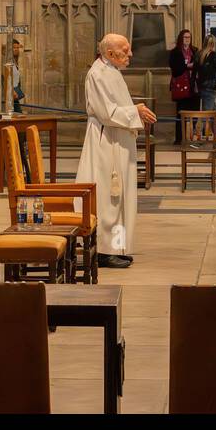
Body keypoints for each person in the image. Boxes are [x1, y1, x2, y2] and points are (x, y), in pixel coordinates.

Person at [77, 34, 157, 268]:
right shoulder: (98, 74)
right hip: (106, 142)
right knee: (108, 197)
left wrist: (135, 110)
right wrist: (136, 110)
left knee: (119, 197)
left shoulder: (111, 70)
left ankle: (117, 246)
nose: (130, 54)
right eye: (125, 50)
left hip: (117, 140)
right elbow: (107, 113)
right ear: (111, 53)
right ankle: (103, 251)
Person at [168, 28, 198, 144]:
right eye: (185, 37)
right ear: (181, 38)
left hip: (193, 85)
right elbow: (175, 68)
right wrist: (188, 65)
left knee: (194, 112)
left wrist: (192, 66)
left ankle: (192, 137)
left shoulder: (195, 50)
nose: (187, 40)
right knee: (181, 113)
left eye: (189, 37)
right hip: (181, 85)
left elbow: (198, 65)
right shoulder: (175, 52)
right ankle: (179, 138)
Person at [10, 38, 25, 113]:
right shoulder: (7, 60)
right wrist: (12, 90)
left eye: (17, 48)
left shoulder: (15, 61)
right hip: (11, 92)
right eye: (14, 47)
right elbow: (4, 77)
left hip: (15, 90)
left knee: (18, 114)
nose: (16, 49)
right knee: (17, 113)